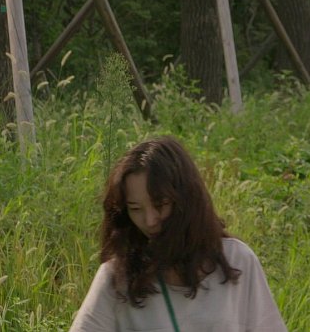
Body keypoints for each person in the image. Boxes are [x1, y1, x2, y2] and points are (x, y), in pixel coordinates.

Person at [70, 136, 288, 332]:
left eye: (160, 204)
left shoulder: (238, 261)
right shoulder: (116, 277)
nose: (150, 220)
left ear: (186, 200)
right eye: (135, 209)